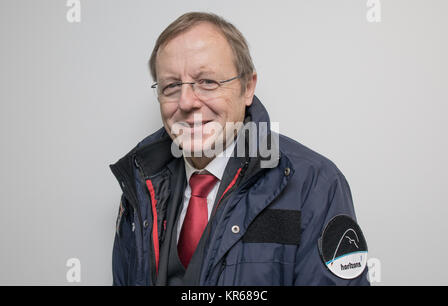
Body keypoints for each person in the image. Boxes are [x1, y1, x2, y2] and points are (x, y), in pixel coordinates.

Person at [110, 12, 370, 286]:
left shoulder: (315, 183)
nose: (186, 102)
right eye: (172, 86)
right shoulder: (140, 183)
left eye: (207, 82)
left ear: (247, 88)